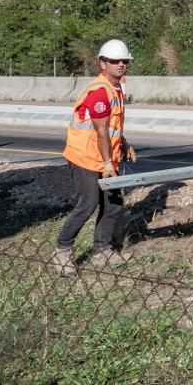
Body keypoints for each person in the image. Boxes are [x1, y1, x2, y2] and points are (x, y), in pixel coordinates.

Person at [52, 39, 137, 274]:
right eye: (114, 61)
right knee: (88, 203)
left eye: (124, 61)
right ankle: (62, 251)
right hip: (85, 157)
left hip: (104, 155)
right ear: (103, 63)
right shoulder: (99, 92)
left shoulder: (116, 87)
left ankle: (102, 250)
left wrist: (124, 143)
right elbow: (100, 131)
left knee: (113, 204)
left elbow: (111, 127)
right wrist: (108, 162)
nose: (121, 64)